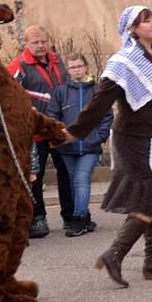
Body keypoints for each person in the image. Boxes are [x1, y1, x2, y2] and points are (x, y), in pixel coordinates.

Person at [65, 6, 152, 288]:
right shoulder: (124, 61)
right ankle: (115, 254)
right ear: (131, 28)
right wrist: (76, 131)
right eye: (144, 21)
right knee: (150, 197)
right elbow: (101, 99)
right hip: (134, 140)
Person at [0, 0, 66, 302]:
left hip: (12, 168)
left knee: (18, 223)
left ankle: (3, 280)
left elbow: (20, 111)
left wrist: (53, 128)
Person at [7, 25, 73, 238]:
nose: (40, 45)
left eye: (43, 41)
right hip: (34, 131)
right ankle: (38, 219)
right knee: (36, 175)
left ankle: (71, 216)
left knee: (67, 172)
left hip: (59, 128)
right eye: (35, 42)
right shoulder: (19, 65)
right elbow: (8, 93)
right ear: (26, 44)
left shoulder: (58, 62)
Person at [46, 53, 112, 237]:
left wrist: (98, 136)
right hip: (68, 146)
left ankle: (79, 218)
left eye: (79, 66)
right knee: (74, 182)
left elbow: (106, 116)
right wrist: (60, 136)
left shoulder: (97, 90)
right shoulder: (61, 92)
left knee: (81, 179)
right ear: (67, 70)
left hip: (90, 146)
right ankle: (86, 218)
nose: (76, 70)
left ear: (86, 67)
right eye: (72, 67)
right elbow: (53, 116)